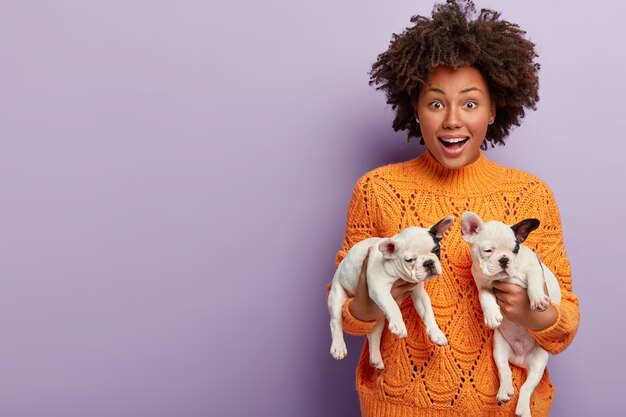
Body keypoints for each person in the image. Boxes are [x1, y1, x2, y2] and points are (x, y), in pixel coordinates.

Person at [328, 1, 580, 416]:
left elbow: (563, 326)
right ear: (415, 109)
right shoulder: (377, 189)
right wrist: (380, 289)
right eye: (435, 103)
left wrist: (530, 310)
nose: (451, 120)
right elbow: (350, 318)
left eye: (469, 103)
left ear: (494, 109)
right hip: (399, 405)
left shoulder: (531, 195)